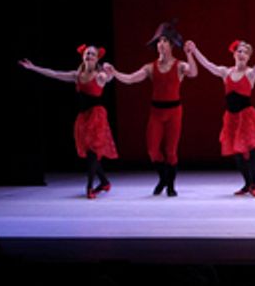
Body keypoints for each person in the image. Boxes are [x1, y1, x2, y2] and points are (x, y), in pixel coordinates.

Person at [106, 20, 197, 196]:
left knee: (171, 151)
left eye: (164, 41)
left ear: (171, 45)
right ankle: (163, 178)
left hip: (174, 112)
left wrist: (190, 55)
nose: (160, 44)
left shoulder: (179, 65)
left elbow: (193, 72)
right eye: (159, 41)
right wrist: (115, 73)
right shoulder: (150, 67)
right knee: (152, 150)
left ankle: (170, 186)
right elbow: (131, 79)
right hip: (156, 112)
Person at [19, 45, 119, 198]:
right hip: (83, 117)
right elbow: (54, 74)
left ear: (97, 58)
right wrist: (33, 67)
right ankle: (104, 182)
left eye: (92, 54)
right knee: (89, 153)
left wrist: (109, 73)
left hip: (97, 116)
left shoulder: (99, 75)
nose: (89, 56)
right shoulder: (76, 75)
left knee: (93, 152)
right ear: (83, 57)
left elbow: (108, 78)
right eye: (87, 53)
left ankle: (89, 187)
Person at [188, 39, 255, 197]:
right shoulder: (226, 72)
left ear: (248, 57)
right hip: (232, 118)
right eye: (239, 51)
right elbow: (208, 65)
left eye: (245, 52)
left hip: (247, 117)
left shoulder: (250, 73)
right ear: (234, 54)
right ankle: (247, 184)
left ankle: (254, 184)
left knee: (252, 150)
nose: (242, 54)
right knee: (237, 154)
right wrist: (195, 50)